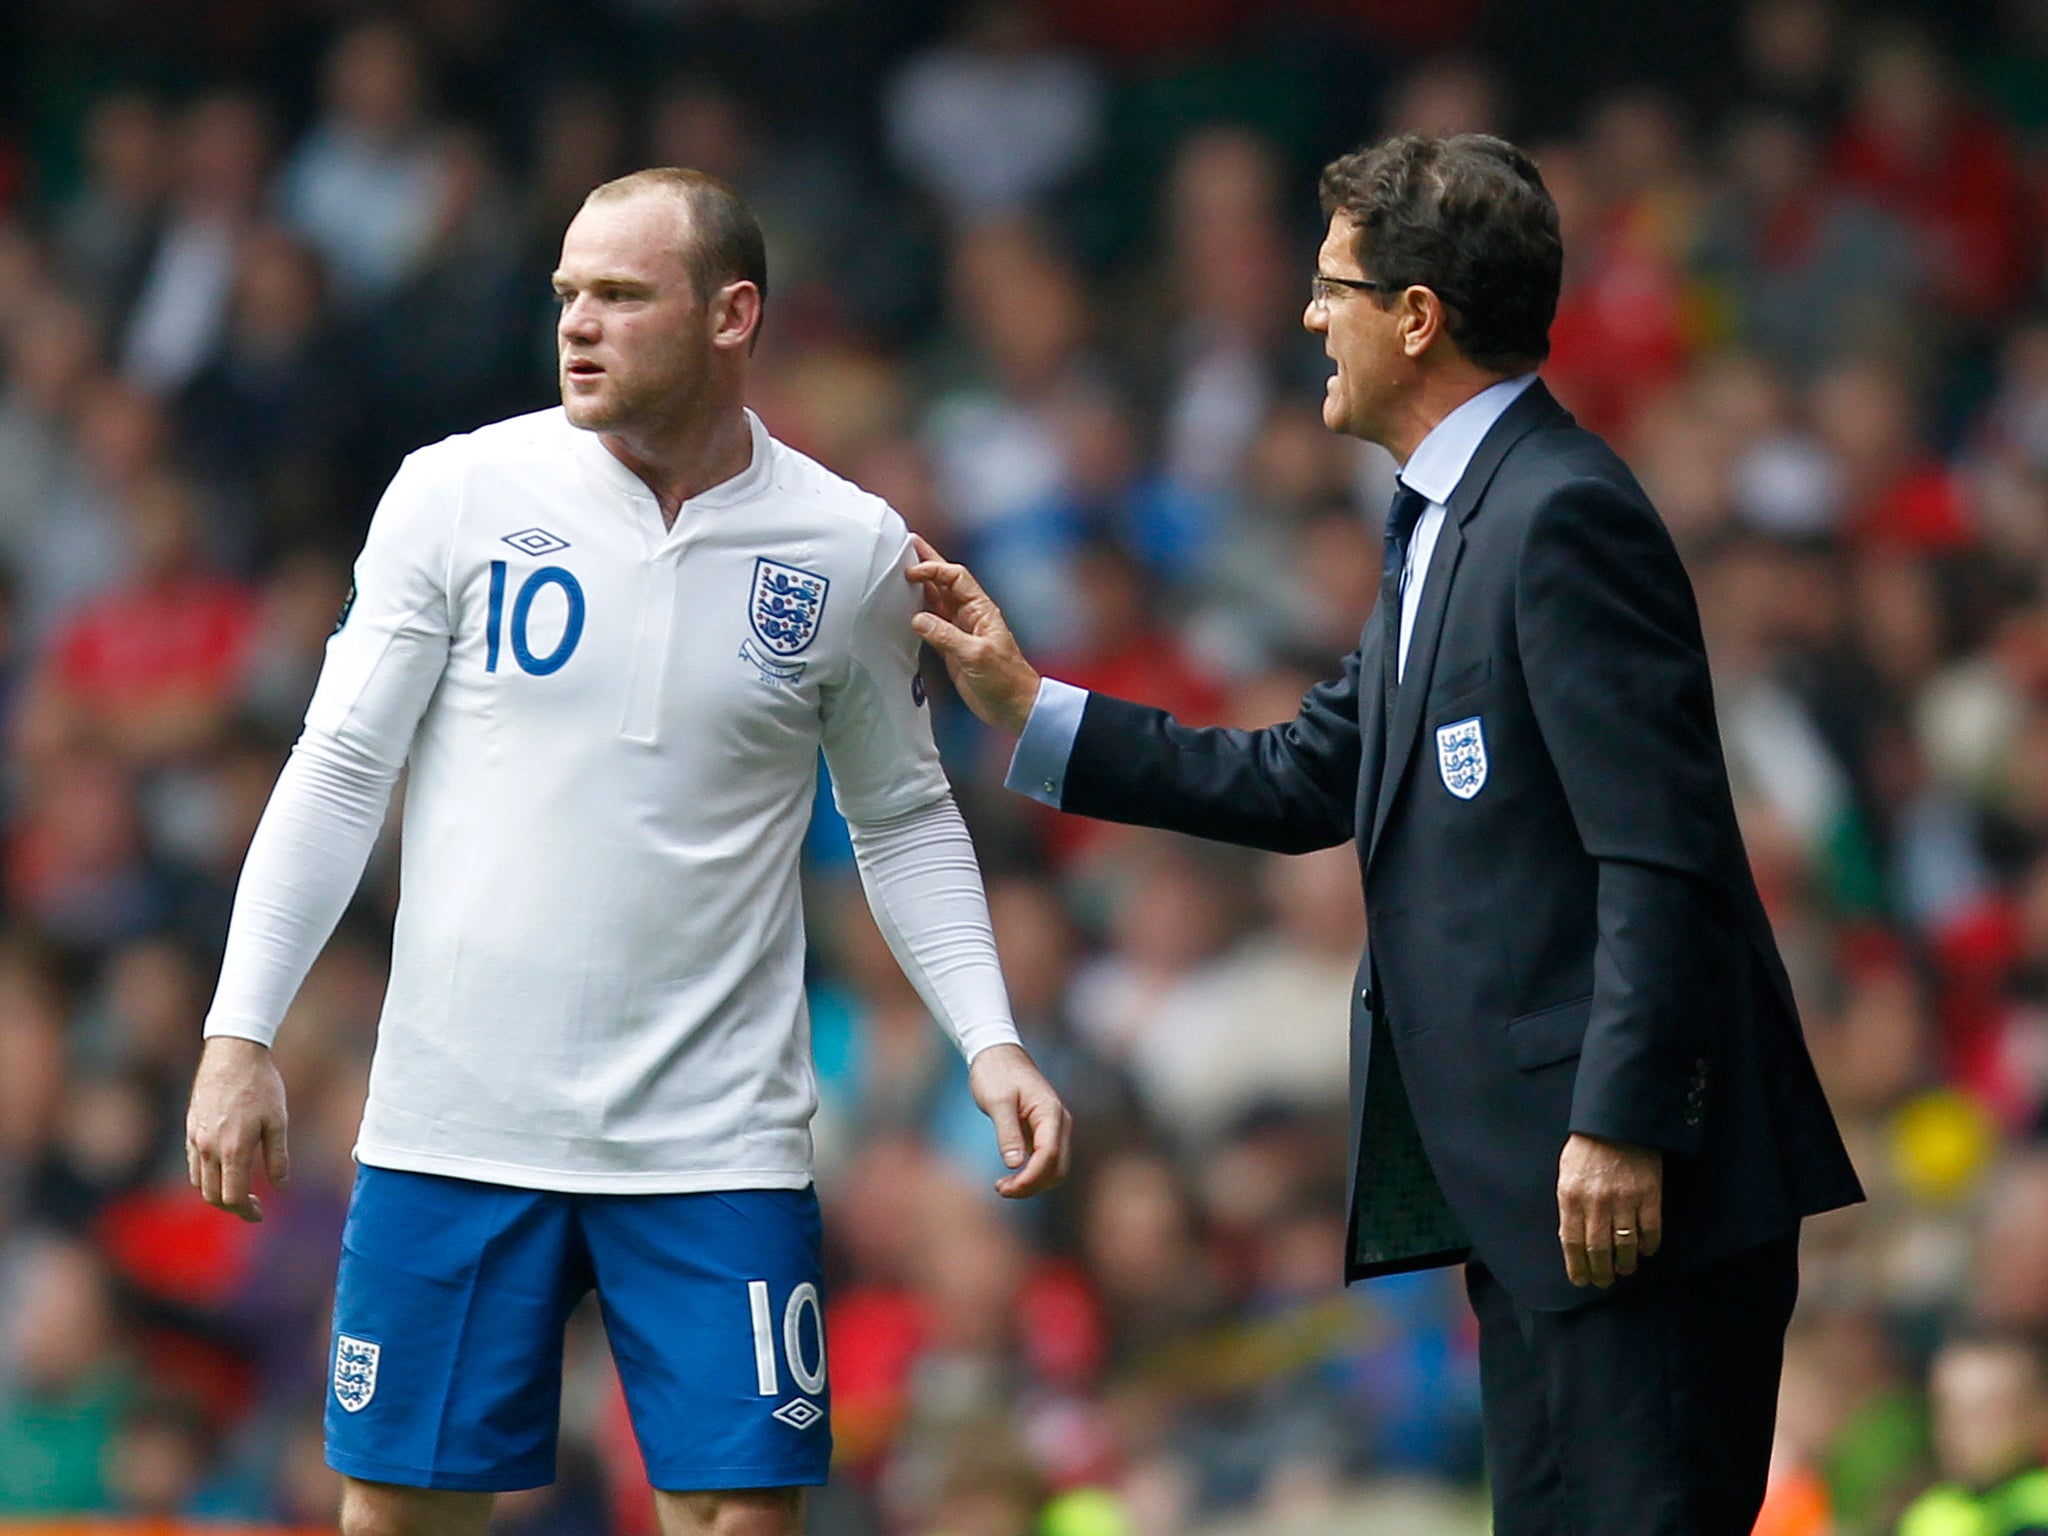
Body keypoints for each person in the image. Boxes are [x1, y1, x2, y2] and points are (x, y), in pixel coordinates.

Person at [908, 132, 1862, 1536]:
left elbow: (1662, 854)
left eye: (1332, 285)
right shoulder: (1442, 527)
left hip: (1633, 1195)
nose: (1309, 316)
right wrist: (1031, 705)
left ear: (1418, 317)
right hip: (1542, 1209)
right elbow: (1304, 777)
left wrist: (1619, 1119)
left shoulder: (1562, 515)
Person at [184, 167, 1071, 1536]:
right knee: (403, 1514)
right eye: (566, 296)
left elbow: (901, 816)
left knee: (737, 1517)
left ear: (732, 315)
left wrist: (990, 1038)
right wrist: (241, 1032)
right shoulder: (456, 494)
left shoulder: (845, 548)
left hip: (715, 1137)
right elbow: (341, 767)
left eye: (619, 295)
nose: (577, 326)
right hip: (460, 1120)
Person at [1898, 1331, 2048, 1536]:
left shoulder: (2037, 1512)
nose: (1959, 1430)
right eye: (1948, 1411)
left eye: (1982, 1414)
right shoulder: (1929, 1512)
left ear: (2037, 1415)